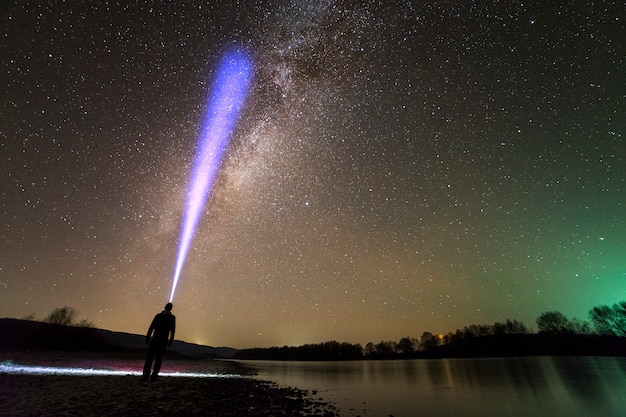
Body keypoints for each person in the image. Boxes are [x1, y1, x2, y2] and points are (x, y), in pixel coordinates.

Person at [142, 302, 176, 381]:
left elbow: (151, 328)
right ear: (171, 308)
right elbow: (173, 331)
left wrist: (147, 338)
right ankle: (154, 376)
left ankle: (146, 375)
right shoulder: (172, 318)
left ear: (165, 307)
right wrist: (171, 341)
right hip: (163, 340)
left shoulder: (158, 316)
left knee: (150, 358)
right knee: (159, 359)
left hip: (155, 339)